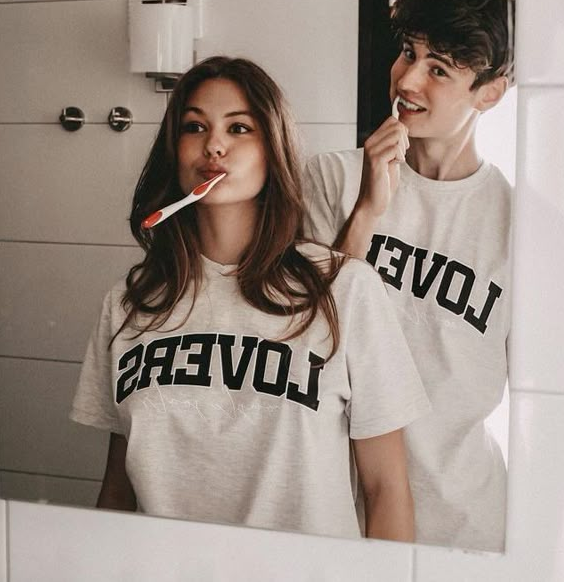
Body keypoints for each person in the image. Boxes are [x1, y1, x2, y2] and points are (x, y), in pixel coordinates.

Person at [70, 56, 429, 541]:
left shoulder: (345, 290)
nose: (213, 145)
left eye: (239, 128)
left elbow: (386, 488)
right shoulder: (129, 303)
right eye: (194, 127)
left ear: (273, 149)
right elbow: (118, 489)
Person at [303, 0, 513, 552]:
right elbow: (310, 342)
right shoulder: (334, 178)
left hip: (464, 526)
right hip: (337, 515)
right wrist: (369, 210)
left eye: (440, 67)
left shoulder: (515, 225)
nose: (408, 78)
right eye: (408, 52)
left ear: (491, 92)